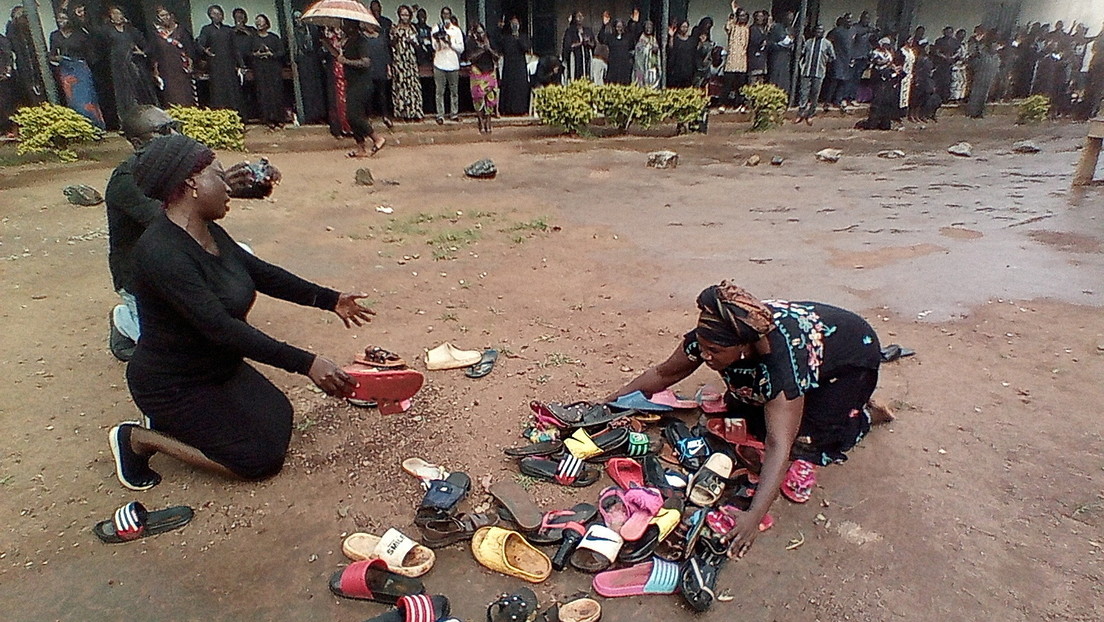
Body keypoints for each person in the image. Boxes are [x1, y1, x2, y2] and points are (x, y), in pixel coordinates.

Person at [107, 133, 372, 490]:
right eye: (219, 176)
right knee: (258, 460)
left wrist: (329, 299)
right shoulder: (162, 254)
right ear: (192, 184)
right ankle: (140, 438)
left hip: (219, 367)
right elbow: (222, 328)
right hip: (173, 383)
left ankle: (177, 425)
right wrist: (306, 362)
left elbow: (261, 273)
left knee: (280, 416)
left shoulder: (208, 232)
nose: (228, 187)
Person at [608, 281, 886, 558]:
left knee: (804, 441)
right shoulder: (715, 333)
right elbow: (665, 373)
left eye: (714, 352)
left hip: (850, 357)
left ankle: (862, 413)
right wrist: (610, 404)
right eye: (703, 348)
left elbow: (779, 445)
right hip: (807, 349)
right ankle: (810, 399)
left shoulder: (782, 364)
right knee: (749, 413)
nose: (705, 356)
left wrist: (753, 515)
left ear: (743, 346)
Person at [104, 105, 280, 360]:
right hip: (143, 278)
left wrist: (257, 182)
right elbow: (174, 219)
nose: (175, 134)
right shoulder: (127, 179)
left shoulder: (175, 166)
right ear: (136, 142)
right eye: (164, 130)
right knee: (178, 351)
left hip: (177, 262)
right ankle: (125, 321)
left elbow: (202, 197)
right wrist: (221, 185)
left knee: (241, 257)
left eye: (176, 126)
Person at [100, 6, 158, 122]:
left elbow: (147, 45)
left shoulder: (131, 30)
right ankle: (127, 122)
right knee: (123, 94)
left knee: (140, 91)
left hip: (134, 65)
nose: (118, 16)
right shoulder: (107, 31)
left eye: (119, 13)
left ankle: (146, 119)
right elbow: (101, 47)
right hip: (118, 68)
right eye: (114, 14)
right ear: (110, 17)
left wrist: (142, 52)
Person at [49, 10, 105, 129]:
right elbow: (52, 53)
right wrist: (56, 58)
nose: (61, 21)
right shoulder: (55, 35)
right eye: (59, 18)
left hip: (80, 69)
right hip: (65, 71)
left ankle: (94, 125)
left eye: (64, 18)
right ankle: (79, 126)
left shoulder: (80, 35)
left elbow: (91, 55)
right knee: (72, 100)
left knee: (86, 98)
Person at [339, 20, 387, 157]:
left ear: (353, 26)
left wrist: (347, 61)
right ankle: (360, 147)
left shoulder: (361, 41)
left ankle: (377, 138)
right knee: (352, 116)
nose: (344, 27)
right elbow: (340, 57)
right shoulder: (349, 41)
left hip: (362, 84)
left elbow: (366, 62)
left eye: (346, 25)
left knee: (353, 116)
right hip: (352, 82)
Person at [197, 5, 243, 112]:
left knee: (232, 91)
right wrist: (205, 51)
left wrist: (241, 64)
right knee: (218, 92)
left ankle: (236, 116)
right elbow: (200, 44)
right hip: (215, 65)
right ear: (210, 16)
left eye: (220, 14)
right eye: (215, 14)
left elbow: (235, 48)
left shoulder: (228, 30)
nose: (218, 16)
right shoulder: (206, 29)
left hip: (229, 65)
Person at [150, 6, 197, 107]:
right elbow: (154, 54)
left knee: (185, 96)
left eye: (167, 15)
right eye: (162, 16)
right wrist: (156, 71)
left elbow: (190, 49)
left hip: (181, 69)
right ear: (158, 18)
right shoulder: (157, 35)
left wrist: (190, 63)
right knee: (171, 97)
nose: (165, 18)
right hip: (166, 71)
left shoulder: (181, 31)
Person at [856, 37, 901, 130]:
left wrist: (895, 68)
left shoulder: (888, 53)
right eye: (885, 44)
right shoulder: (875, 52)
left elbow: (890, 62)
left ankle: (884, 122)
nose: (886, 46)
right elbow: (876, 62)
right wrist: (887, 65)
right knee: (877, 99)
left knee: (886, 100)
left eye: (887, 45)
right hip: (878, 77)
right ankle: (872, 121)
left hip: (887, 77)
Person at [291, 9, 327, 124]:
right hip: (302, 64)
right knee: (307, 91)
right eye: (296, 18)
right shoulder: (293, 33)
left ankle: (320, 115)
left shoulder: (312, 29)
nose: (298, 20)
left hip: (314, 62)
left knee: (318, 89)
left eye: (299, 17)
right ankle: (310, 116)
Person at [250, 14, 285, 128]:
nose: (259, 24)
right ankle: (267, 118)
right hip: (260, 69)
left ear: (266, 23)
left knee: (276, 93)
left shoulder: (274, 38)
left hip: (273, 69)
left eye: (261, 21)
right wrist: (256, 54)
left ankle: (279, 118)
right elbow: (248, 53)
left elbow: (282, 52)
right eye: (257, 22)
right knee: (263, 94)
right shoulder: (253, 38)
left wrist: (271, 54)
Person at [6, 6, 46, 107]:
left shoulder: (31, 29)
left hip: (37, 63)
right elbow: (11, 46)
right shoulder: (13, 30)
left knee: (42, 88)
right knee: (29, 90)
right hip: (24, 65)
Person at [389, 5, 423, 121]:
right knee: (401, 86)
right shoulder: (394, 27)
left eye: (407, 15)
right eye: (402, 15)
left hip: (411, 61)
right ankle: (403, 113)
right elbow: (391, 44)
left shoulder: (413, 28)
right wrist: (396, 37)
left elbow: (418, 46)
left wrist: (412, 42)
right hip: (399, 61)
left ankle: (415, 112)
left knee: (413, 86)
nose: (405, 17)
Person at [795, 25, 834, 125]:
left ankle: (810, 115)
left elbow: (832, 57)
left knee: (815, 94)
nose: (818, 32)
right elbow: (802, 54)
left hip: (819, 73)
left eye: (821, 31)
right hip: (806, 71)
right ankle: (800, 114)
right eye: (817, 30)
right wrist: (802, 66)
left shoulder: (827, 44)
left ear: (823, 32)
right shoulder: (808, 42)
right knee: (803, 93)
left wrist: (824, 62)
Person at [430, 6, 464, 123]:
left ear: (450, 15)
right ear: (441, 16)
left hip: (453, 64)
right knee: (440, 91)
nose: (446, 16)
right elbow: (434, 47)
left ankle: (454, 113)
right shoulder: (436, 28)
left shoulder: (456, 30)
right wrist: (439, 39)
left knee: (454, 91)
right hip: (439, 63)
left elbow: (461, 49)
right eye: (443, 14)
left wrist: (449, 42)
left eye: (447, 14)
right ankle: (440, 114)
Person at [466, 22, 499, 133]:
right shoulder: (471, 42)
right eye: (479, 32)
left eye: (482, 32)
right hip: (477, 72)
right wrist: (481, 50)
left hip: (489, 71)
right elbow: (470, 58)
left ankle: (488, 122)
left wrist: (488, 49)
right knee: (478, 98)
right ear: (475, 33)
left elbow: (497, 56)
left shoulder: (489, 40)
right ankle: (480, 120)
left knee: (490, 98)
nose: (481, 34)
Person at [363, 22, 393, 128]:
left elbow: (386, 53)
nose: (370, 27)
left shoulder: (381, 37)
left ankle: (385, 116)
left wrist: (388, 68)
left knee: (382, 94)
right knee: (369, 94)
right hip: (368, 69)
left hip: (381, 67)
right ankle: (369, 116)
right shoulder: (362, 37)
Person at [499, 16, 531, 114]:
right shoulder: (506, 37)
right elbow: (501, 48)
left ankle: (521, 109)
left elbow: (526, 48)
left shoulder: (523, 36)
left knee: (520, 87)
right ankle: (507, 109)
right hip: (509, 65)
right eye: (513, 23)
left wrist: (518, 38)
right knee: (509, 87)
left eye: (516, 24)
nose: (514, 25)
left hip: (520, 65)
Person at [230, 8, 257, 120]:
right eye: (237, 17)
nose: (239, 19)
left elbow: (256, 40)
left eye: (241, 16)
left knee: (253, 91)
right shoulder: (230, 31)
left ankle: (254, 114)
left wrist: (245, 32)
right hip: (236, 66)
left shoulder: (252, 30)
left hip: (252, 64)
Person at [966, 30, 1000, 118]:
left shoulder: (995, 55)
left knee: (984, 94)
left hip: (989, 75)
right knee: (976, 93)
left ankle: (980, 112)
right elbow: (972, 55)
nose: (995, 46)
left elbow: (997, 66)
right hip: (980, 74)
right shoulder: (981, 50)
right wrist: (976, 41)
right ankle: (973, 112)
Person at [722, 4, 750, 109]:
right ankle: (723, 104)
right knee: (728, 85)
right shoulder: (733, 27)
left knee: (741, 86)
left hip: (742, 62)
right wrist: (734, 13)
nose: (743, 18)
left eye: (744, 16)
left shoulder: (747, 29)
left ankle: (739, 104)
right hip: (731, 62)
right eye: (741, 16)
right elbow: (727, 27)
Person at [826, 14, 855, 109]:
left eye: (851, 20)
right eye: (848, 20)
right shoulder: (837, 31)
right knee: (834, 81)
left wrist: (852, 57)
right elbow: (828, 42)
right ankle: (827, 101)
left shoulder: (852, 31)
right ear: (844, 21)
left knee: (843, 81)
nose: (850, 22)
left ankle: (837, 100)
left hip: (847, 60)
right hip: (837, 58)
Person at [908, 41, 940, 122]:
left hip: (927, 80)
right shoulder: (919, 58)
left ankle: (921, 115)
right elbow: (917, 70)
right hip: (920, 79)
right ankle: (912, 115)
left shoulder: (929, 57)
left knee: (924, 98)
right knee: (916, 99)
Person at [767, 11, 795, 96]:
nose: (790, 21)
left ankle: (783, 96)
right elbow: (783, 41)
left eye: (791, 19)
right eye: (789, 19)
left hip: (786, 57)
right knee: (776, 76)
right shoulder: (778, 27)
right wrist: (789, 40)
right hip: (777, 55)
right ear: (784, 18)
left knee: (784, 78)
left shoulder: (789, 29)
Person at [562, 11, 595, 83]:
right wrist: (580, 43)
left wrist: (588, 42)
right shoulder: (570, 31)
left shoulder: (587, 30)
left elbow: (593, 44)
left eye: (581, 16)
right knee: (576, 76)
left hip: (586, 58)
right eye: (578, 16)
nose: (580, 18)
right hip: (575, 58)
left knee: (587, 75)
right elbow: (568, 46)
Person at [599, 16, 633, 85]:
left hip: (624, 65)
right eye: (617, 27)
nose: (619, 29)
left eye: (620, 27)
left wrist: (633, 22)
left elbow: (632, 44)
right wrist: (604, 25)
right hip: (613, 65)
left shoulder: (628, 37)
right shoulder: (611, 37)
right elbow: (601, 38)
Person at [931, 26, 957, 103]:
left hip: (950, 64)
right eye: (947, 32)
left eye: (950, 32)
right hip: (941, 64)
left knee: (948, 82)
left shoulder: (954, 42)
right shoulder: (939, 41)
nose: (949, 34)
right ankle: (939, 98)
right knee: (940, 81)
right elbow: (937, 51)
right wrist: (945, 57)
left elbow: (958, 51)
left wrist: (952, 57)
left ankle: (946, 98)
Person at [667, 20, 695, 88]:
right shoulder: (675, 38)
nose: (684, 28)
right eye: (683, 26)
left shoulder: (691, 40)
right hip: (676, 68)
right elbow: (671, 48)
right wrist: (671, 37)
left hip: (687, 69)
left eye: (686, 27)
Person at [633, 20, 660, 89]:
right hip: (641, 68)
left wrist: (656, 50)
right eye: (647, 26)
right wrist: (648, 49)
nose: (648, 28)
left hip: (651, 67)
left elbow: (657, 54)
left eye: (650, 27)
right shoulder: (641, 39)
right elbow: (638, 53)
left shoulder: (653, 39)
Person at [747, 10, 769, 85]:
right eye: (758, 16)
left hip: (763, 58)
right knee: (753, 79)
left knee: (761, 80)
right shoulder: (752, 28)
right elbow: (754, 41)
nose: (760, 18)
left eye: (762, 16)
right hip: (754, 57)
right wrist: (762, 41)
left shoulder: (764, 29)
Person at [0, 30, 14, 135]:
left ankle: (7, 128)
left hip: (1, 76)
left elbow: (8, 55)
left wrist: (6, 71)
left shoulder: (2, 40)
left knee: (4, 102)